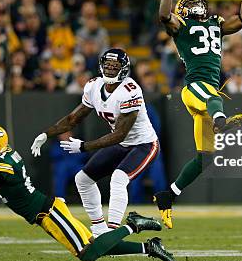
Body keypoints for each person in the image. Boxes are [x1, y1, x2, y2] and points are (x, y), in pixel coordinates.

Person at [0, 84, 175, 261]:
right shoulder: (2, 154)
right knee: (94, 244)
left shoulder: (0, 168)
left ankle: (133, 224)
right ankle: (149, 247)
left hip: (47, 213)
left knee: (88, 254)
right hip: (45, 212)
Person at [152, 0, 242, 228]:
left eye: (199, 2)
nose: (196, 5)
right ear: (183, 10)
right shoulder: (180, 26)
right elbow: (163, 15)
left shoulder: (216, 25)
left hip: (206, 97)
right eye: (190, 3)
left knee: (205, 158)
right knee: (213, 96)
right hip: (194, 89)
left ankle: (168, 195)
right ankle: (221, 122)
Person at [30, 49, 160, 236]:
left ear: (123, 69)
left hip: (143, 144)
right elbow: (73, 118)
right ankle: (99, 228)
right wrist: (46, 134)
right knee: (82, 180)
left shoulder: (130, 91)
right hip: (122, 144)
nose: (110, 70)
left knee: (118, 179)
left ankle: (113, 230)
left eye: (115, 67)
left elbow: (120, 135)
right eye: (107, 66)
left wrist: (83, 146)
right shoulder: (93, 86)